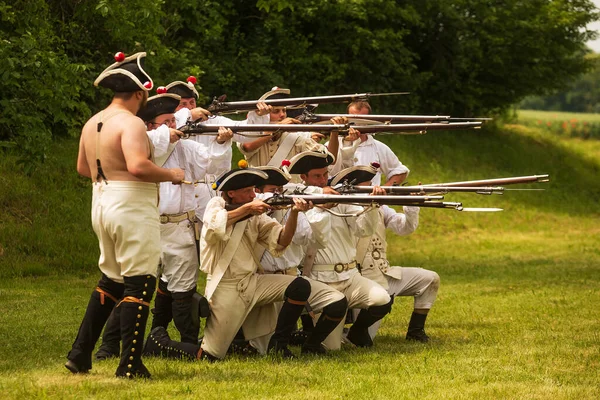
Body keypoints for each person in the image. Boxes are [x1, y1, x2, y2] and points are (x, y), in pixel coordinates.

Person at [65, 51, 184, 379]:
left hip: (101, 200)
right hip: (130, 203)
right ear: (139, 93)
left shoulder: (93, 121)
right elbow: (137, 165)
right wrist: (171, 174)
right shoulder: (130, 123)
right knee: (141, 280)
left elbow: (80, 167)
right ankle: (129, 365)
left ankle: (79, 354)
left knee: (112, 279)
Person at [93, 92, 233, 360]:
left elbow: (211, 166)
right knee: (129, 287)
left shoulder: (184, 146)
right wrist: (182, 120)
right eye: (166, 121)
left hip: (179, 226)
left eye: (173, 120)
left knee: (183, 290)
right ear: (149, 126)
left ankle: (189, 345)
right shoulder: (144, 145)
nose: (172, 126)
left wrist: (221, 142)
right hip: (147, 225)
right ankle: (108, 346)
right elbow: (156, 147)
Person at [145, 166, 314, 360]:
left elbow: (282, 240)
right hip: (226, 286)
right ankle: (159, 344)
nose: (253, 195)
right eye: (247, 192)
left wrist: (294, 213)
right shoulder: (216, 203)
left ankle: (279, 346)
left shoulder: (256, 216)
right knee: (209, 356)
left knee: (300, 286)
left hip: (252, 282)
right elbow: (215, 224)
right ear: (231, 193)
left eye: (253, 190)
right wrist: (247, 209)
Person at [288, 150, 393, 350]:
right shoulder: (297, 201)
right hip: (320, 277)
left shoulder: (339, 195)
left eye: (325, 174)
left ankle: (357, 331)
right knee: (331, 348)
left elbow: (364, 229)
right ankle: (311, 342)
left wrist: (372, 205)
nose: (322, 180)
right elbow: (317, 239)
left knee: (382, 299)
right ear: (303, 178)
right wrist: (321, 206)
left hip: (350, 275)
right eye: (317, 176)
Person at [244, 165, 348, 355]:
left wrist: (316, 209)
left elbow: (307, 238)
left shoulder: (289, 207)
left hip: (292, 278)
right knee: (260, 349)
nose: (278, 194)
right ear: (256, 192)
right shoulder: (247, 212)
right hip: (259, 281)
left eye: (281, 190)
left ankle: (310, 344)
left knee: (337, 302)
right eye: (273, 190)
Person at [330, 165, 440, 343]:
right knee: (362, 341)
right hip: (360, 279)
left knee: (430, 279)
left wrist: (411, 204)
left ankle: (415, 332)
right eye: (366, 187)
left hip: (384, 274)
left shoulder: (380, 207)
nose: (373, 189)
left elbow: (405, 228)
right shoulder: (340, 210)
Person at [237, 87, 342, 181]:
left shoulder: (296, 138)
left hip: (290, 196)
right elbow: (247, 147)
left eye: (284, 110)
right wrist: (277, 128)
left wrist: (334, 132)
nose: (282, 115)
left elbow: (329, 159)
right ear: (264, 115)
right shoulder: (251, 134)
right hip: (259, 195)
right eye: (276, 111)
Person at [329, 101, 409, 185]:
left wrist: (384, 190)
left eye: (362, 121)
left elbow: (399, 171)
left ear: (369, 121)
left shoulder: (379, 147)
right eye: (354, 121)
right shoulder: (332, 144)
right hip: (338, 197)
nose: (358, 126)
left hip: (369, 197)